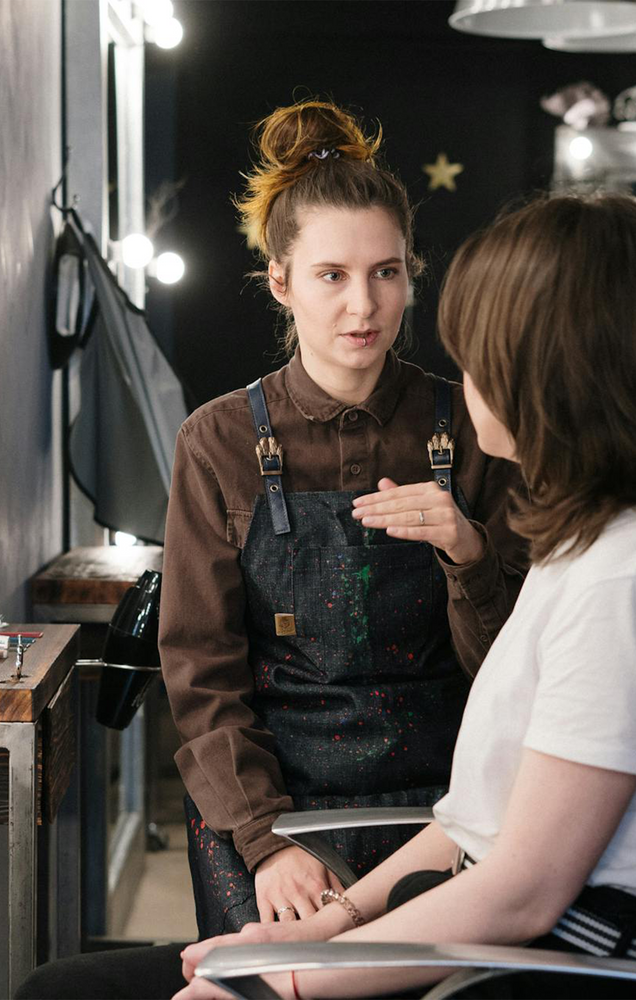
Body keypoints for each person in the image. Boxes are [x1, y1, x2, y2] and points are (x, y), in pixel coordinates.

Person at [16, 192, 636, 1000]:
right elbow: (476, 822)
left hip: (527, 964)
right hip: (464, 911)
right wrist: (329, 926)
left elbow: (523, 892)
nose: (461, 384)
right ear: (282, 283)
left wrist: (280, 984)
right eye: (332, 274)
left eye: (479, 361)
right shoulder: (594, 550)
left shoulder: (630, 585)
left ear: (550, 376)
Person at [159, 99, 526, 938]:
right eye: (332, 275)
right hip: (271, 801)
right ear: (280, 281)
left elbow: (517, 670)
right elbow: (200, 671)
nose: (364, 305)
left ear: (411, 274)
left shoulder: (475, 427)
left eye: (386, 272)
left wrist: (469, 553)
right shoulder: (215, 442)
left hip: (449, 801)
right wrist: (263, 838)